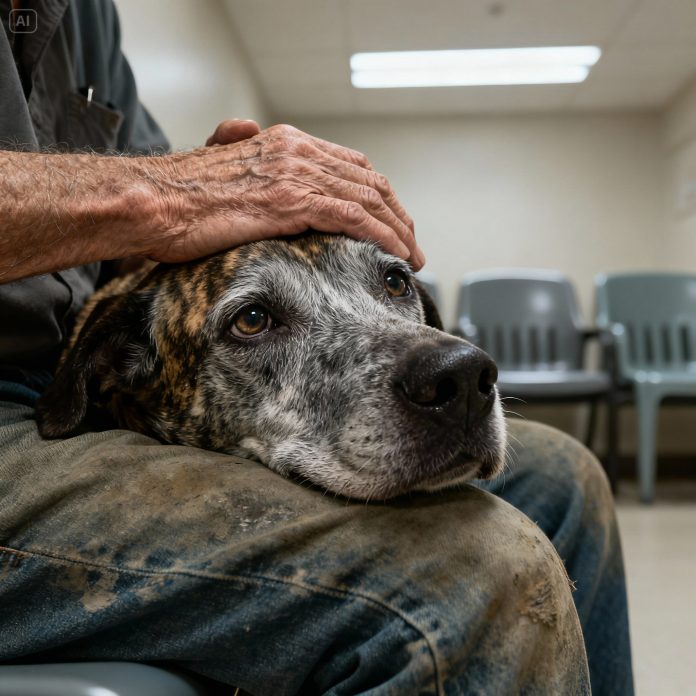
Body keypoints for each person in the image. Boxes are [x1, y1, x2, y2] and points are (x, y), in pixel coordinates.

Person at [0, 1, 633, 693]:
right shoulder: (112, 357)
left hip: (60, 380)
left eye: (392, 283)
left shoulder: (85, 12)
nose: (443, 360)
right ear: (113, 366)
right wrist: (169, 193)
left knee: (566, 478)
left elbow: (156, 244)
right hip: (22, 425)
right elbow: (170, 203)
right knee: (476, 568)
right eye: (255, 320)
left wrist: (213, 196)